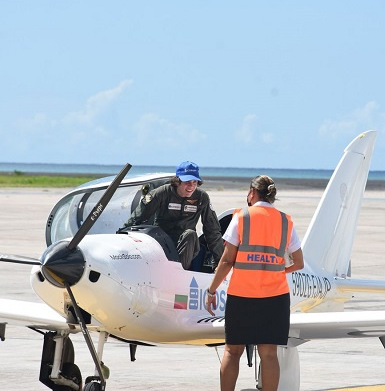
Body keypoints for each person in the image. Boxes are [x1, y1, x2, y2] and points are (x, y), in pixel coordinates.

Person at [205, 175, 304, 391]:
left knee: (232, 351)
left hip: (242, 296)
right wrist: (278, 269)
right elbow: (299, 263)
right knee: (269, 354)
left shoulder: (241, 217)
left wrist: (211, 290)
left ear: (252, 193)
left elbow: (227, 260)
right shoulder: (285, 221)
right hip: (275, 298)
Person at [122, 161, 224, 270]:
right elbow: (136, 218)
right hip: (161, 244)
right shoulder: (160, 193)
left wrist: (220, 263)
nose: (191, 186)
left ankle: (180, 272)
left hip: (187, 245)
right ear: (177, 181)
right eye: (187, 181)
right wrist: (122, 241)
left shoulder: (202, 197)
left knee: (190, 234)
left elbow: (212, 230)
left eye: (195, 182)